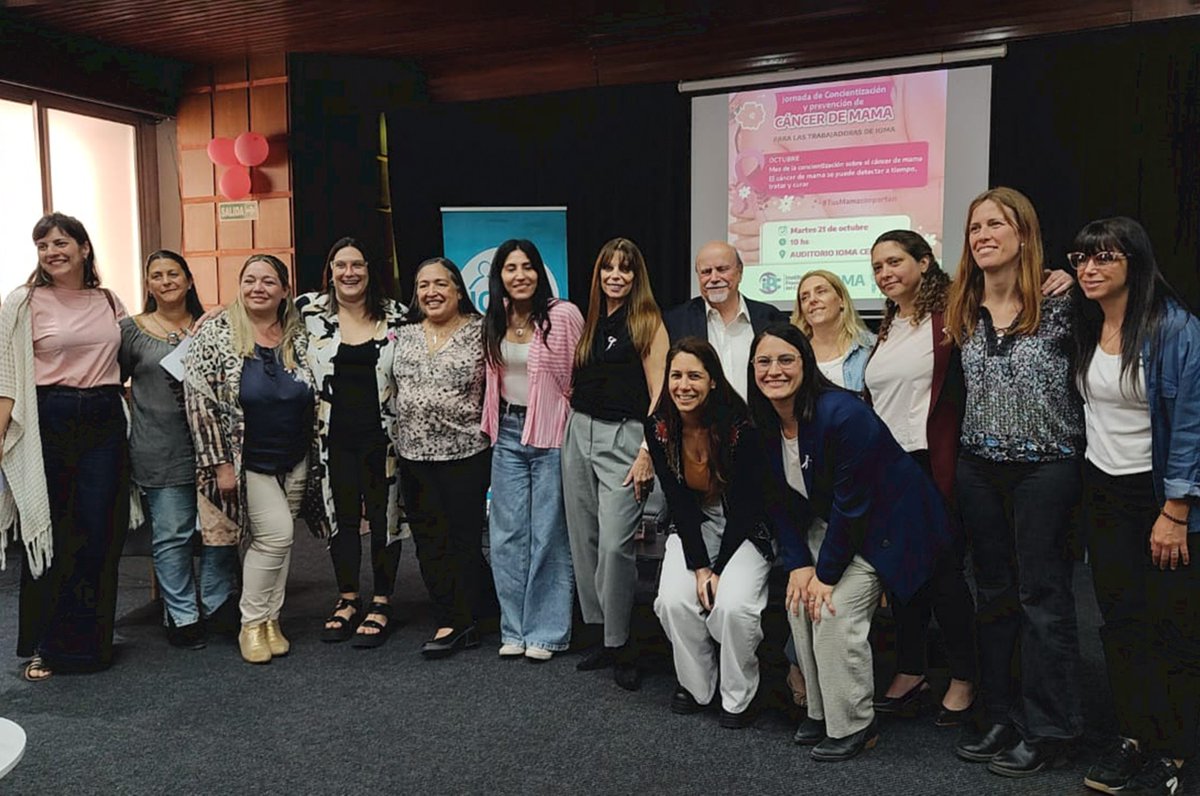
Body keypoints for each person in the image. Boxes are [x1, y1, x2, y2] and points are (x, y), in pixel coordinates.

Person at [749, 322, 952, 761]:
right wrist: (799, 566)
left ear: (805, 363)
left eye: (786, 359)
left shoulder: (842, 414)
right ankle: (823, 714)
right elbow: (777, 503)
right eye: (763, 361)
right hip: (840, 524)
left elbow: (853, 505)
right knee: (798, 599)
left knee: (832, 608)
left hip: (890, 529)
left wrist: (825, 574)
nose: (774, 370)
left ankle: (857, 724)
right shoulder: (764, 423)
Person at [947, 187, 1085, 778]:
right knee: (995, 594)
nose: (982, 235)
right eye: (975, 227)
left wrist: (1073, 279)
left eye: (995, 224)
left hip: (1047, 467)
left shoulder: (1062, 303)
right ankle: (1001, 713)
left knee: (1043, 598)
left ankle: (1048, 726)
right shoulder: (963, 306)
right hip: (979, 467)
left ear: (1023, 234)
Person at [1068, 217, 1199, 796]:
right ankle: (1133, 735)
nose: (1090, 269)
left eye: (1105, 259)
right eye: (1082, 259)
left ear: (1135, 264)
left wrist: (1175, 511)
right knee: (1120, 624)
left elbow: (1192, 424)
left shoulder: (1175, 330)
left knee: (1169, 623)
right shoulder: (1086, 321)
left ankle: (1173, 750)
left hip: (1158, 498)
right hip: (1104, 493)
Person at [0, 213, 131, 681]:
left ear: (83, 248)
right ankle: (45, 646)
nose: (52, 252)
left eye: (61, 243)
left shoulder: (109, 300)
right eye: (42, 246)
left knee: (99, 533)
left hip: (104, 419)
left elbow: (133, 352)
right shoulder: (23, 302)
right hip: (50, 419)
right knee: (50, 532)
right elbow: (6, 376)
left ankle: (91, 645)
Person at [863, 231, 976, 725]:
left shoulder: (953, 314)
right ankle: (911, 669)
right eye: (878, 267)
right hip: (889, 467)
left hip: (933, 462)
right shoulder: (890, 324)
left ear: (925, 262)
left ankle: (965, 676)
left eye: (894, 262)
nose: (885, 273)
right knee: (901, 571)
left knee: (945, 574)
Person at [184, 253, 318, 665]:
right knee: (275, 537)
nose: (258, 288)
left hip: (295, 458)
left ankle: (271, 621)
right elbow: (198, 404)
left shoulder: (302, 334)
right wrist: (219, 463)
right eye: (249, 280)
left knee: (280, 543)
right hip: (246, 461)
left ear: (284, 291)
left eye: (268, 281)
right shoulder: (216, 334)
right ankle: (250, 622)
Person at [648, 338, 773, 728]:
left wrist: (719, 569)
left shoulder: (741, 426)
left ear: (713, 381)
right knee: (673, 600)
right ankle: (698, 686)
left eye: (694, 376)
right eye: (676, 375)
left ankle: (739, 696)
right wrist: (700, 567)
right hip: (693, 521)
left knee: (733, 606)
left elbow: (748, 505)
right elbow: (678, 501)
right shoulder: (658, 426)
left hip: (744, 525)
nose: (683, 385)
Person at [563, 237, 668, 691]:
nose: (616, 276)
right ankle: (603, 635)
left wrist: (649, 452)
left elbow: (661, 393)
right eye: (609, 268)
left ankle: (625, 642)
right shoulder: (589, 320)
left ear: (636, 275)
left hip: (625, 439)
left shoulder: (647, 321)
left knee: (614, 545)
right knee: (584, 541)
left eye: (625, 269)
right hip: (578, 432)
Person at [119, 250, 238, 650]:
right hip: (159, 448)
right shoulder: (130, 330)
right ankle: (182, 614)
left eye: (174, 273)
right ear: (149, 284)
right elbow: (111, 382)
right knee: (173, 535)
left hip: (214, 450)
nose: (166, 281)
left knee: (221, 533)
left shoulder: (213, 325)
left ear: (189, 280)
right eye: (157, 275)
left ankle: (218, 605)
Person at [297, 237, 407, 648]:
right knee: (341, 518)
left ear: (368, 269)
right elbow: (255, 315)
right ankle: (347, 598)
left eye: (357, 264)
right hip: (332, 440)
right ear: (330, 271)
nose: (349, 272)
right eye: (340, 265)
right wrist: (209, 317)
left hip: (384, 440)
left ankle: (381, 601)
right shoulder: (307, 311)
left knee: (384, 519)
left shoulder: (397, 316)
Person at [481, 239, 583, 662]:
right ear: (499, 275)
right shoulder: (495, 317)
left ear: (540, 272)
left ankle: (546, 631)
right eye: (510, 268)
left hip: (551, 432)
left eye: (527, 267)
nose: (519, 275)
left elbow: (579, 374)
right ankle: (514, 629)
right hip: (506, 432)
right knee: (505, 536)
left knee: (548, 534)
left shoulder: (562, 315)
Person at [391, 257, 490, 659]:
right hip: (413, 456)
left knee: (463, 540)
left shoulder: (482, 331)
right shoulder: (402, 333)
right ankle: (453, 611)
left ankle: (464, 620)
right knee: (429, 541)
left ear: (458, 289)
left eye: (440, 284)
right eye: (422, 285)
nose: (431, 292)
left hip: (465, 453)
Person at [662, 240, 787, 397]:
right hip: (702, 419)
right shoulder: (675, 322)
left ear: (740, 272)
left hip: (761, 419)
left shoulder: (770, 318)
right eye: (706, 272)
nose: (714, 278)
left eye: (722, 269)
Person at [791, 270, 875, 391]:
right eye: (804, 297)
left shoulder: (871, 347)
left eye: (821, 292)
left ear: (841, 300)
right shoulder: (794, 352)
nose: (812, 300)